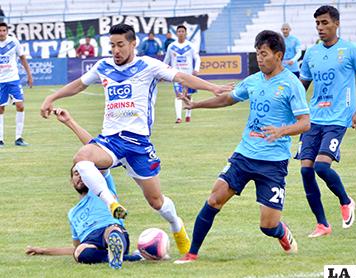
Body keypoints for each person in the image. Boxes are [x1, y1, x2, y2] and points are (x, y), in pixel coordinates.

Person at [40, 24, 233, 259]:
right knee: (81, 158)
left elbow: (181, 76)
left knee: (156, 201)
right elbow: (79, 84)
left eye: (120, 45)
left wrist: (213, 87)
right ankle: (112, 204)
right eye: (112, 45)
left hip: (138, 144)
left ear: (133, 44)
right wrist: (52, 96)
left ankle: (177, 226)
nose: (115, 50)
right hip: (110, 141)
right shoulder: (103, 66)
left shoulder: (148, 65)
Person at [174, 30, 310, 264]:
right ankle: (192, 253)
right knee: (214, 198)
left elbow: (305, 123)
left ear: (278, 55)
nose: (259, 58)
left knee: (267, 226)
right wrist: (196, 105)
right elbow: (228, 98)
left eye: (264, 54)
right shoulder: (254, 80)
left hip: (273, 162)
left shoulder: (291, 84)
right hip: (244, 155)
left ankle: (281, 232)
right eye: (257, 53)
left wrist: (282, 130)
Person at [297, 5, 356, 238]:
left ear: (336, 24)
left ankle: (346, 201)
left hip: (339, 117)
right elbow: (302, 86)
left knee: (321, 166)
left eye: (324, 23)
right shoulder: (311, 53)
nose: (320, 28)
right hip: (314, 119)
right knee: (305, 171)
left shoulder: (350, 50)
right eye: (317, 24)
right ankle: (322, 224)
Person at [26, 108, 142, 269]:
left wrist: (69, 122)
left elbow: (94, 148)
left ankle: (117, 249)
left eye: (82, 172)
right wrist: (44, 250)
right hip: (90, 242)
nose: (80, 176)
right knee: (80, 252)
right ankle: (125, 257)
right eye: (76, 173)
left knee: (112, 231)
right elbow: (75, 248)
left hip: (110, 230)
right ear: (71, 181)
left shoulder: (102, 188)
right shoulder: (72, 213)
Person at [0, 22, 33, 147]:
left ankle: (18, 138)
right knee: (0, 109)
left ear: (7, 31)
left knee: (20, 106)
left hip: (13, 79)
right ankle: (0, 139)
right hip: (0, 82)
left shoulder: (13, 42)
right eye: (0, 30)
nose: (2, 33)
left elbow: (22, 58)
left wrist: (29, 75)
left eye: (4, 30)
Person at [164, 25, 201, 124]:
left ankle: (188, 115)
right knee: (178, 95)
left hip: (189, 75)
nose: (181, 33)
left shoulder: (190, 45)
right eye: (179, 31)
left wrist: (196, 69)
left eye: (182, 31)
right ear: (176, 33)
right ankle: (179, 117)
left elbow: (197, 58)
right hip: (176, 75)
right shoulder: (171, 46)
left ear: (186, 33)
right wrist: (162, 71)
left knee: (188, 96)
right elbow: (166, 59)